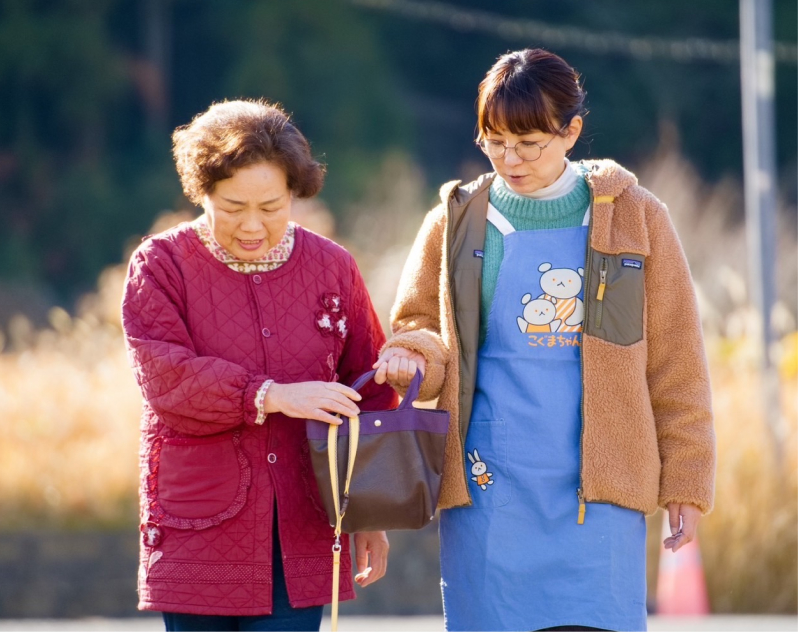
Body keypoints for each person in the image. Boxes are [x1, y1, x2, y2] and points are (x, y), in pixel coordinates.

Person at [374, 49, 716, 632]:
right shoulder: (457, 219)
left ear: (572, 130)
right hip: (488, 486)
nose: (511, 159)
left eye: (529, 143)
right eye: (495, 141)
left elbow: (675, 356)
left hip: (602, 489)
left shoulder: (634, 216)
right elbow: (419, 329)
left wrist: (686, 478)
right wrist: (412, 357)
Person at [122, 99, 396, 632]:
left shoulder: (333, 267)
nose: (252, 226)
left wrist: (369, 511)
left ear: (296, 193)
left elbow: (368, 390)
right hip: (197, 526)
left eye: (271, 207)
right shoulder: (159, 266)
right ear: (202, 193)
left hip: (306, 520)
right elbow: (167, 380)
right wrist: (269, 395)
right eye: (231, 207)